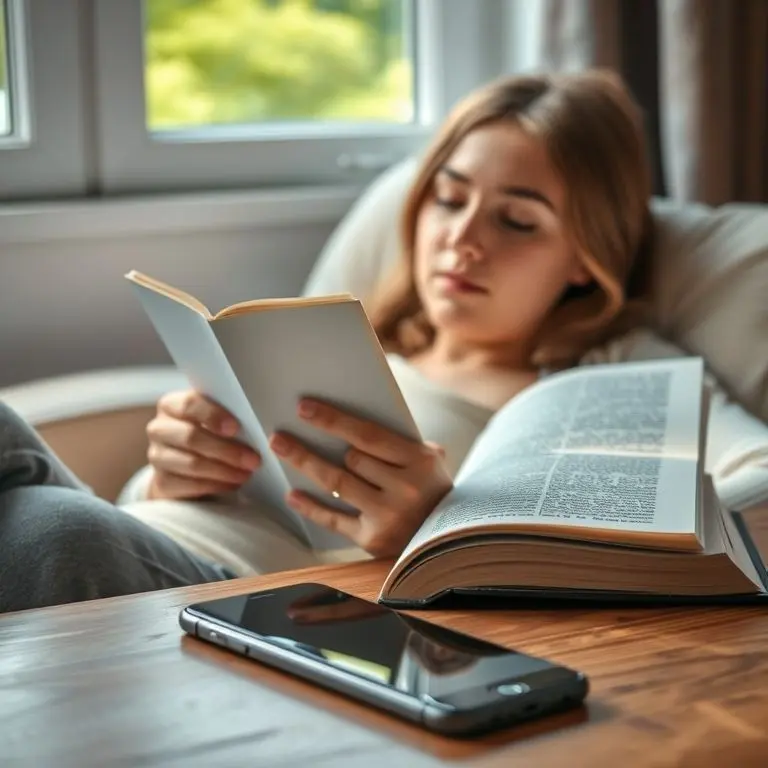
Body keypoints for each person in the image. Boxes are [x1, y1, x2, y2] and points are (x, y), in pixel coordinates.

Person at [2, 69, 767, 614]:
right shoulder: (352, 343)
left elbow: (758, 488)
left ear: (585, 256)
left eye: (517, 220)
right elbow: (150, 519)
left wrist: (451, 526)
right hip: (135, 542)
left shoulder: (618, 371)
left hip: (245, 603)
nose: (461, 240)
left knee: (47, 526)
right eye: (449, 198)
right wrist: (168, 477)